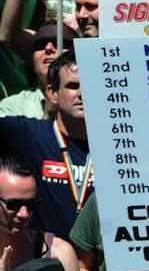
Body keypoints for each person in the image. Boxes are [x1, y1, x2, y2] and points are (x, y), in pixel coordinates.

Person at [0, 52, 91, 239]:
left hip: (99, 262)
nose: (83, 93)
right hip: (45, 260)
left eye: (91, 85)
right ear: (52, 93)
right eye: (73, 86)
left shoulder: (119, 143)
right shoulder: (27, 134)